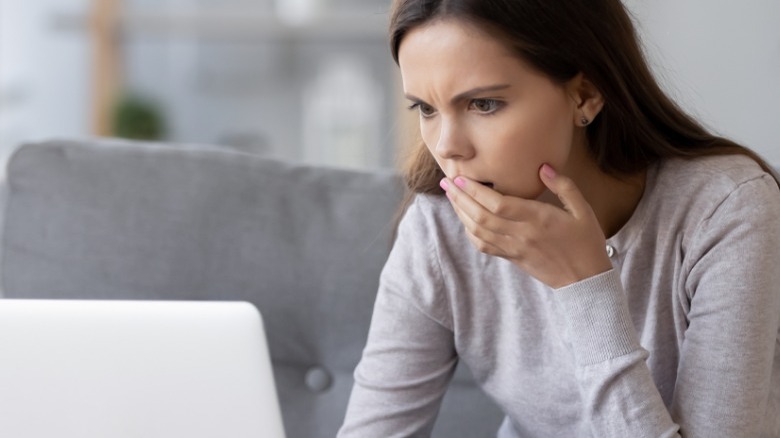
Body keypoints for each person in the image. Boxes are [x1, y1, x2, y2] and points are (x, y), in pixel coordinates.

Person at [338, 0, 780, 436]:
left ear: (585, 95)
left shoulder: (727, 208)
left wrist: (584, 286)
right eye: (426, 109)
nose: (448, 147)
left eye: (484, 104)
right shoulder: (439, 226)